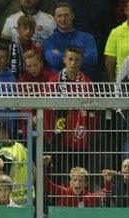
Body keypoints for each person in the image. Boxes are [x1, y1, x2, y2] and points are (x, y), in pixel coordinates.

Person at [47, 46, 98, 179]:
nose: (73, 63)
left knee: (79, 176)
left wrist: (90, 132)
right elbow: (47, 111)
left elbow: (93, 113)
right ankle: (57, 200)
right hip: (58, 138)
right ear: (64, 60)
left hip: (80, 138)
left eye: (77, 60)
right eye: (70, 59)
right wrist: (48, 134)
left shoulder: (87, 83)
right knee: (58, 175)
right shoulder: (53, 82)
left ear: (81, 61)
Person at [43, 2, 97, 78]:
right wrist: (79, 57)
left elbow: (92, 59)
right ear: (54, 18)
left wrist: (61, 55)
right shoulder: (48, 41)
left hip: (83, 85)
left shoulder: (87, 38)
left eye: (66, 15)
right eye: (59, 16)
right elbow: (54, 61)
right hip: (58, 85)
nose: (63, 19)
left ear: (72, 16)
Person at [43, 155, 111, 207]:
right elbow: (44, 183)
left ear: (86, 184)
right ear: (70, 182)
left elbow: (106, 194)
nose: (77, 183)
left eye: (81, 181)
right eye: (75, 180)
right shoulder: (62, 192)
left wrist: (108, 181)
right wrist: (44, 166)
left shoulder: (89, 197)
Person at [7, 15, 43, 79]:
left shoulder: (37, 48)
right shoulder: (10, 47)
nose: (28, 31)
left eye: (31, 29)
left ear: (34, 31)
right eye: (24, 28)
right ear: (18, 29)